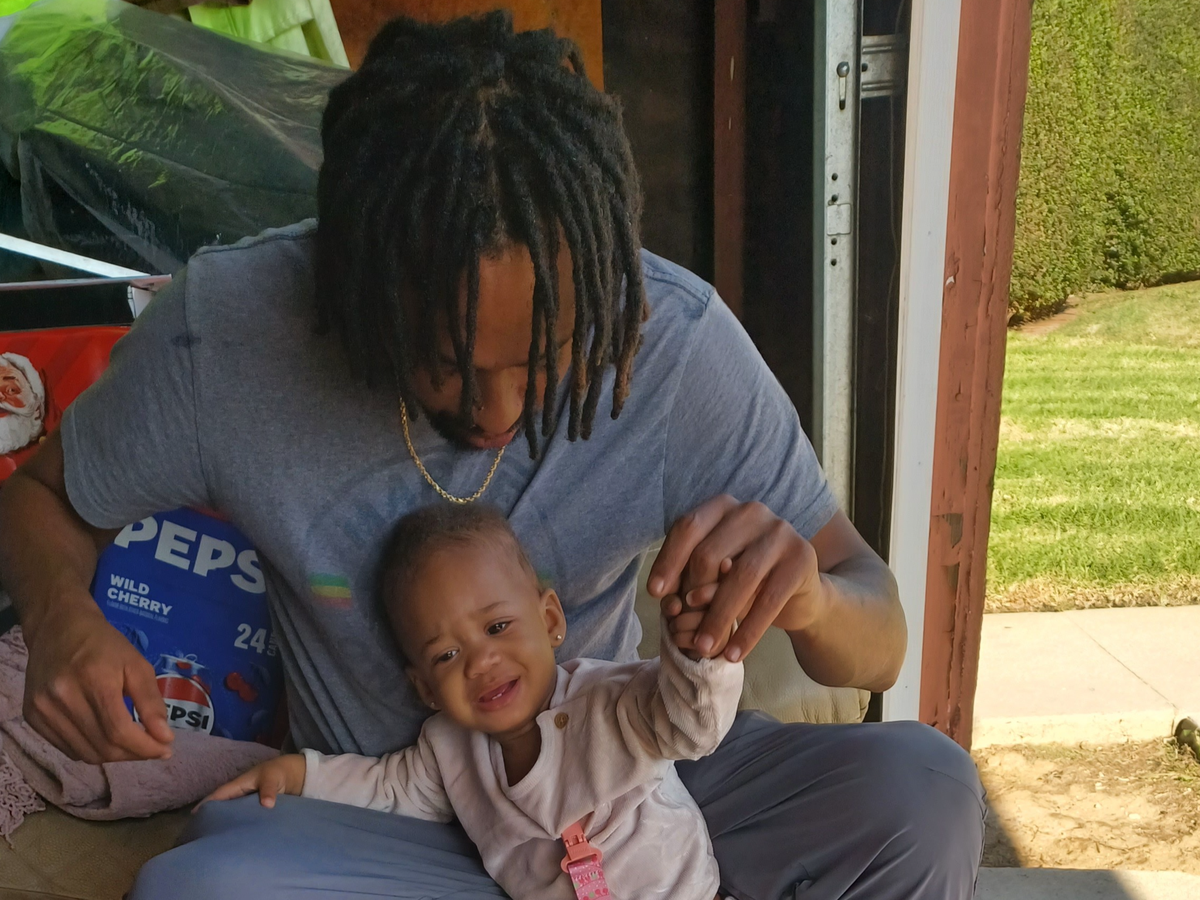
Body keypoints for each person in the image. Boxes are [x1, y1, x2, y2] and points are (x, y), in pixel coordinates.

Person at [0, 11, 985, 900]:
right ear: (354, 290)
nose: (499, 412)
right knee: (203, 889)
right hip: (393, 821)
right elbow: (42, 502)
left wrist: (810, 598)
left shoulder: (675, 345)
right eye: (445, 366)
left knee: (923, 793)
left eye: (550, 357)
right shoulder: (230, 334)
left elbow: (879, 637)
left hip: (633, 788)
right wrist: (61, 621)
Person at [203, 503, 743, 900]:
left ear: (550, 621)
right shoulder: (447, 752)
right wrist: (299, 774)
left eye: (498, 626)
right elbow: (386, 789)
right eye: (446, 655)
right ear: (425, 689)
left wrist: (699, 654)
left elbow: (693, 727)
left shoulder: (611, 701)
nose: (481, 662)